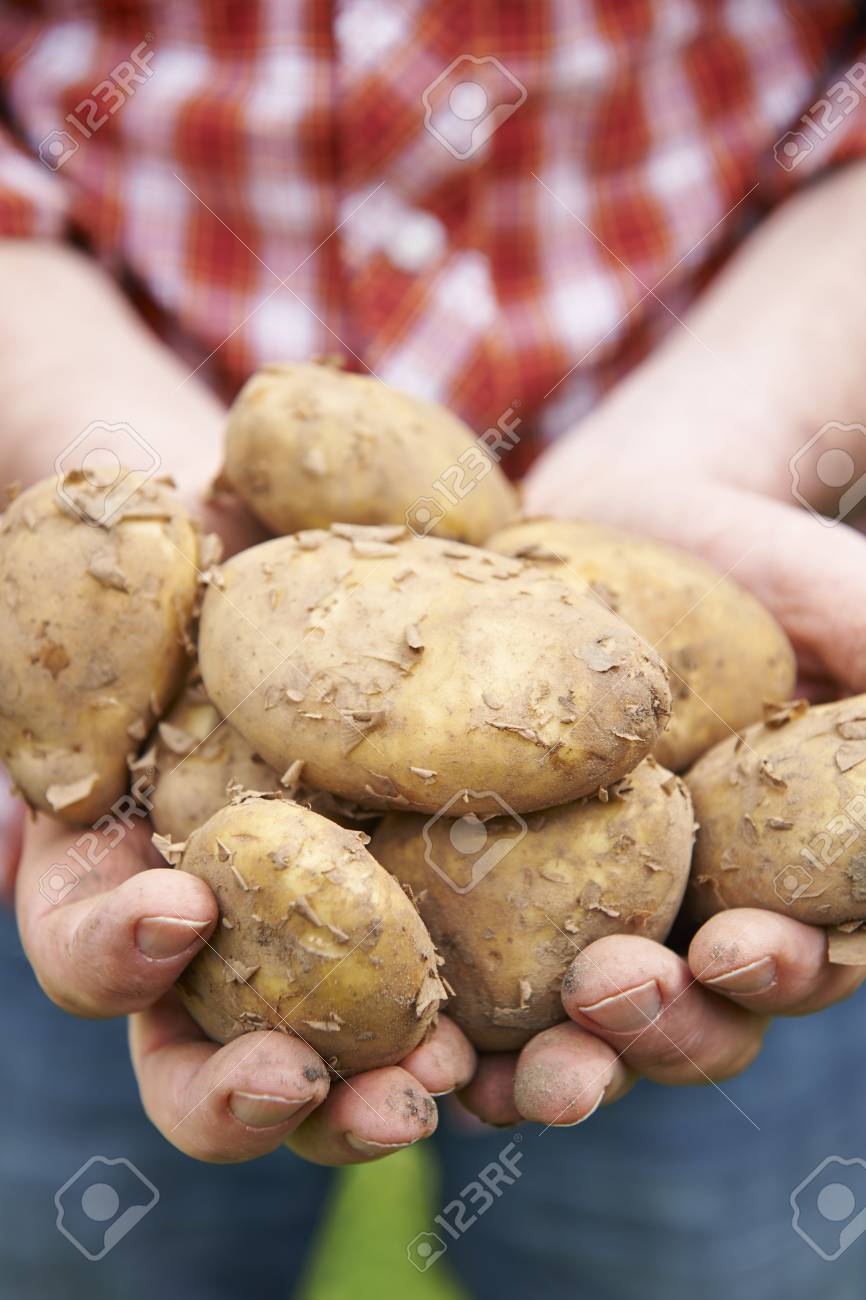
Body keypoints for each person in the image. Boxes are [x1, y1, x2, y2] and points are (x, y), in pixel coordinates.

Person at [2, 3, 866, 1296]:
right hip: (77, 755)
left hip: (717, 468)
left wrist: (735, 430)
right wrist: (101, 458)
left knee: (699, 1252)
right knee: (77, 1247)